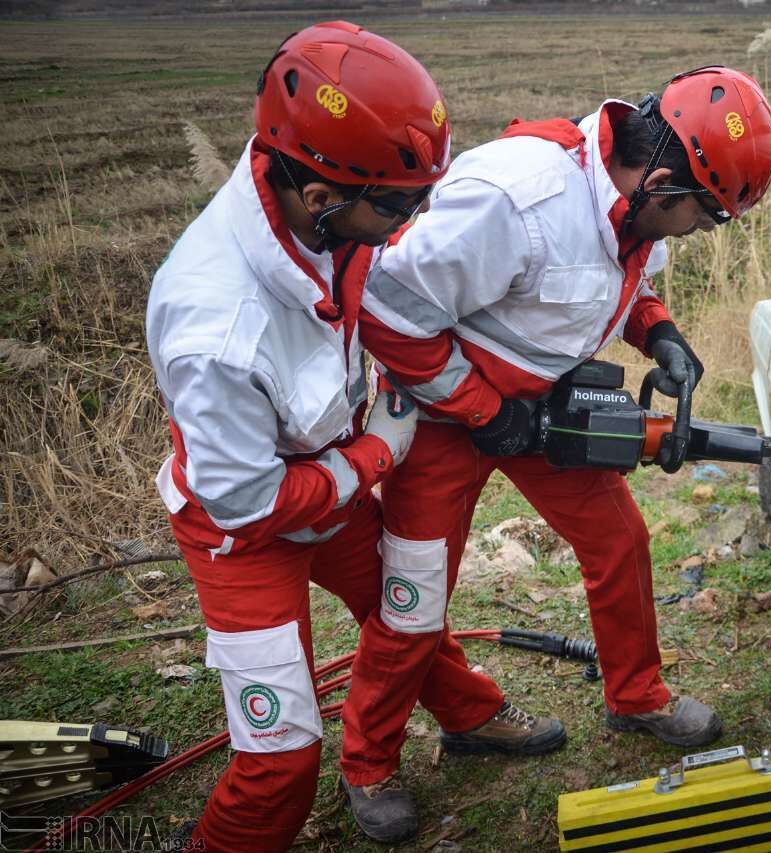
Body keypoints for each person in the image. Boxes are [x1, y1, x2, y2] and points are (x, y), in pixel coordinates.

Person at [348, 66, 771, 838]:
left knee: (620, 540)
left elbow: (626, 279)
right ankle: (369, 763)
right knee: (414, 597)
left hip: (540, 405)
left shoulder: (638, 205)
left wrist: (659, 333)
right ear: (664, 180)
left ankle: (636, 694)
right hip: (442, 406)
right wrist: (481, 408)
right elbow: (386, 311)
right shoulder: (517, 200)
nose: (697, 232)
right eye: (702, 218)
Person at [145, 21, 451, 851]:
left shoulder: (317, 212)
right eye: (395, 207)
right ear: (320, 198)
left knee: (412, 606)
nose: (406, 221)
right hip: (243, 531)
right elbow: (245, 501)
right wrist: (375, 455)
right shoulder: (216, 328)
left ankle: (474, 716)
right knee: (281, 761)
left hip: (327, 479)